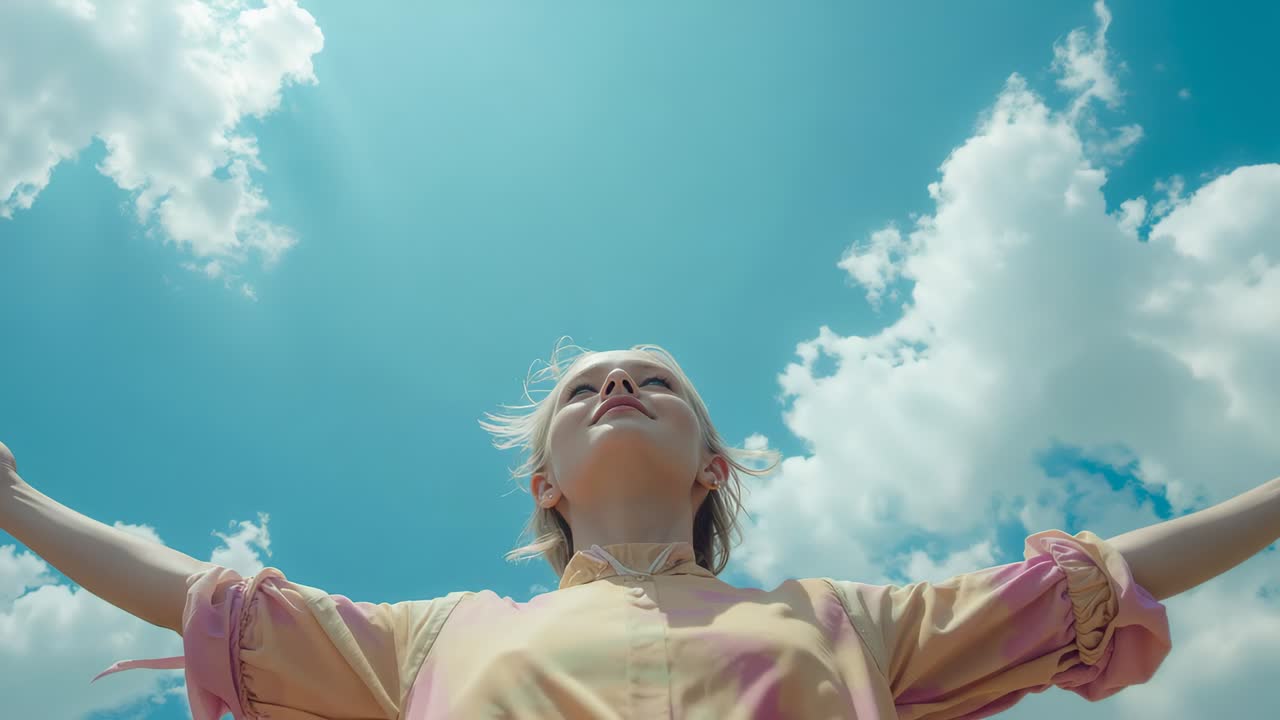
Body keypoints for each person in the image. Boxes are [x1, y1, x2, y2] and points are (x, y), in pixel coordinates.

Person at [7, 338, 1274, 719]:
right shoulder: (438, 635)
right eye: (582, 387)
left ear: (709, 462)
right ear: (544, 481)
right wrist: (11, 503)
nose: (616, 387)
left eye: (652, 381)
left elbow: (1104, 580)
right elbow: (203, 597)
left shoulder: (841, 621)